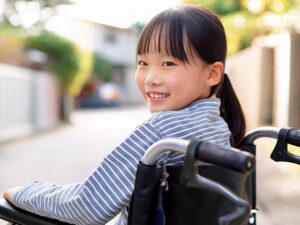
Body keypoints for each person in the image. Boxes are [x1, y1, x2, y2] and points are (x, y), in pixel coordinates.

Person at [3, 4, 246, 225]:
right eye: (142, 63)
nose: (150, 78)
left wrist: (25, 192)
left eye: (168, 63)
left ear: (212, 74)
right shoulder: (219, 125)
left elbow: (86, 206)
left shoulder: (163, 131)